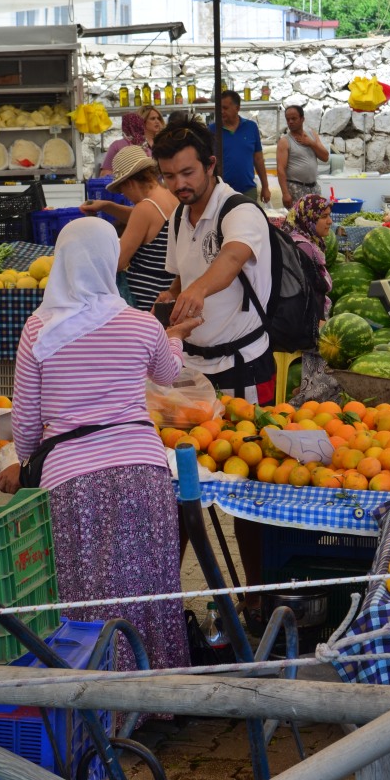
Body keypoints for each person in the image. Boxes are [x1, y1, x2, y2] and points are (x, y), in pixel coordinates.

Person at [0, 218, 201, 673]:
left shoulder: (38, 330)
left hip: (72, 481)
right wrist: (176, 336)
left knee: (85, 588)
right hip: (142, 471)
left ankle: (96, 701)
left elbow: (26, 424)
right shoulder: (141, 324)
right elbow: (168, 377)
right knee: (146, 582)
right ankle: (148, 693)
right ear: (110, 260)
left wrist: (26, 463)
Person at [151, 116, 274, 594]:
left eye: (187, 173)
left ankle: (258, 595)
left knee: (249, 493)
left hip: (244, 366)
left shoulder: (239, 211)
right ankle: (167, 597)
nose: (178, 184)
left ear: (211, 165)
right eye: (169, 176)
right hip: (191, 372)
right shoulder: (178, 217)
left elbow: (230, 258)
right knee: (182, 489)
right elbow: (180, 278)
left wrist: (199, 291)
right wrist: (159, 313)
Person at [81, 146, 177, 310]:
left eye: (122, 190)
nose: (124, 196)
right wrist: (107, 206)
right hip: (167, 293)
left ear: (131, 183)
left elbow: (117, 263)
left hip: (146, 301)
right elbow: (148, 222)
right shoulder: (170, 197)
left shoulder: (145, 209)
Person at [208, 90, 271, 203]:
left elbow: (258, 159)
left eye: (225, 108)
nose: (221, 112)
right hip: (221, 191)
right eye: (219, 108)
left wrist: (265, 187)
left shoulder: (251, 127)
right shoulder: (212, 130)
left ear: (237, 108)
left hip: (248, 190)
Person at [283, 194, 332, 318]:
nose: (330, 221)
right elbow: (308, 294)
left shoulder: (301, 238)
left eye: (329, 215)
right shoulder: (303, 247)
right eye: (324, 216)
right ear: (309, 217)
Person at [276, 105, 330, 208]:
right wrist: (285, 193)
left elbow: (325, 157)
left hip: (313, 187)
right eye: (288, 119)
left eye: (294, 118)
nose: (290, 122)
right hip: (295, 188)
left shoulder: (311, 134)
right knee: (298, 221)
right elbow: (280, 169)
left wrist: (311, 143)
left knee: (315, 220)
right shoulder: (285, 141)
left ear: (302, 119)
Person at [100, 105, 165, 174]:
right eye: (152, 118)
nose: (157, 121)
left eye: (159, 118)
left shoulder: (163, 143)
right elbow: (105, 173)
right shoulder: (123, 145)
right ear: (143, 121)